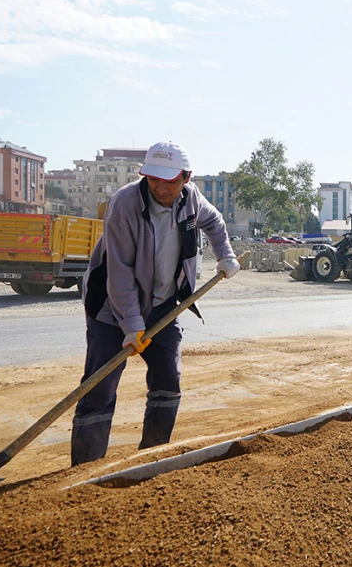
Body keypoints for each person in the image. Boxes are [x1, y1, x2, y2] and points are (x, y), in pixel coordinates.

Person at [71, 142, 239, 466]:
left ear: (186, 178)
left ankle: (151, 459)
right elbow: (118, 274)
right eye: (154, 179)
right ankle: (85, 472)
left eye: (169, 180)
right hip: (109, 308)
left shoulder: (191, 200)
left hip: (162, 307)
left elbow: (215, 223)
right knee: (99, 389)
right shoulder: (124, 204)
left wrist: (226, 255)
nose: (161, 187)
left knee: (168, 381)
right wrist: (131, 325)